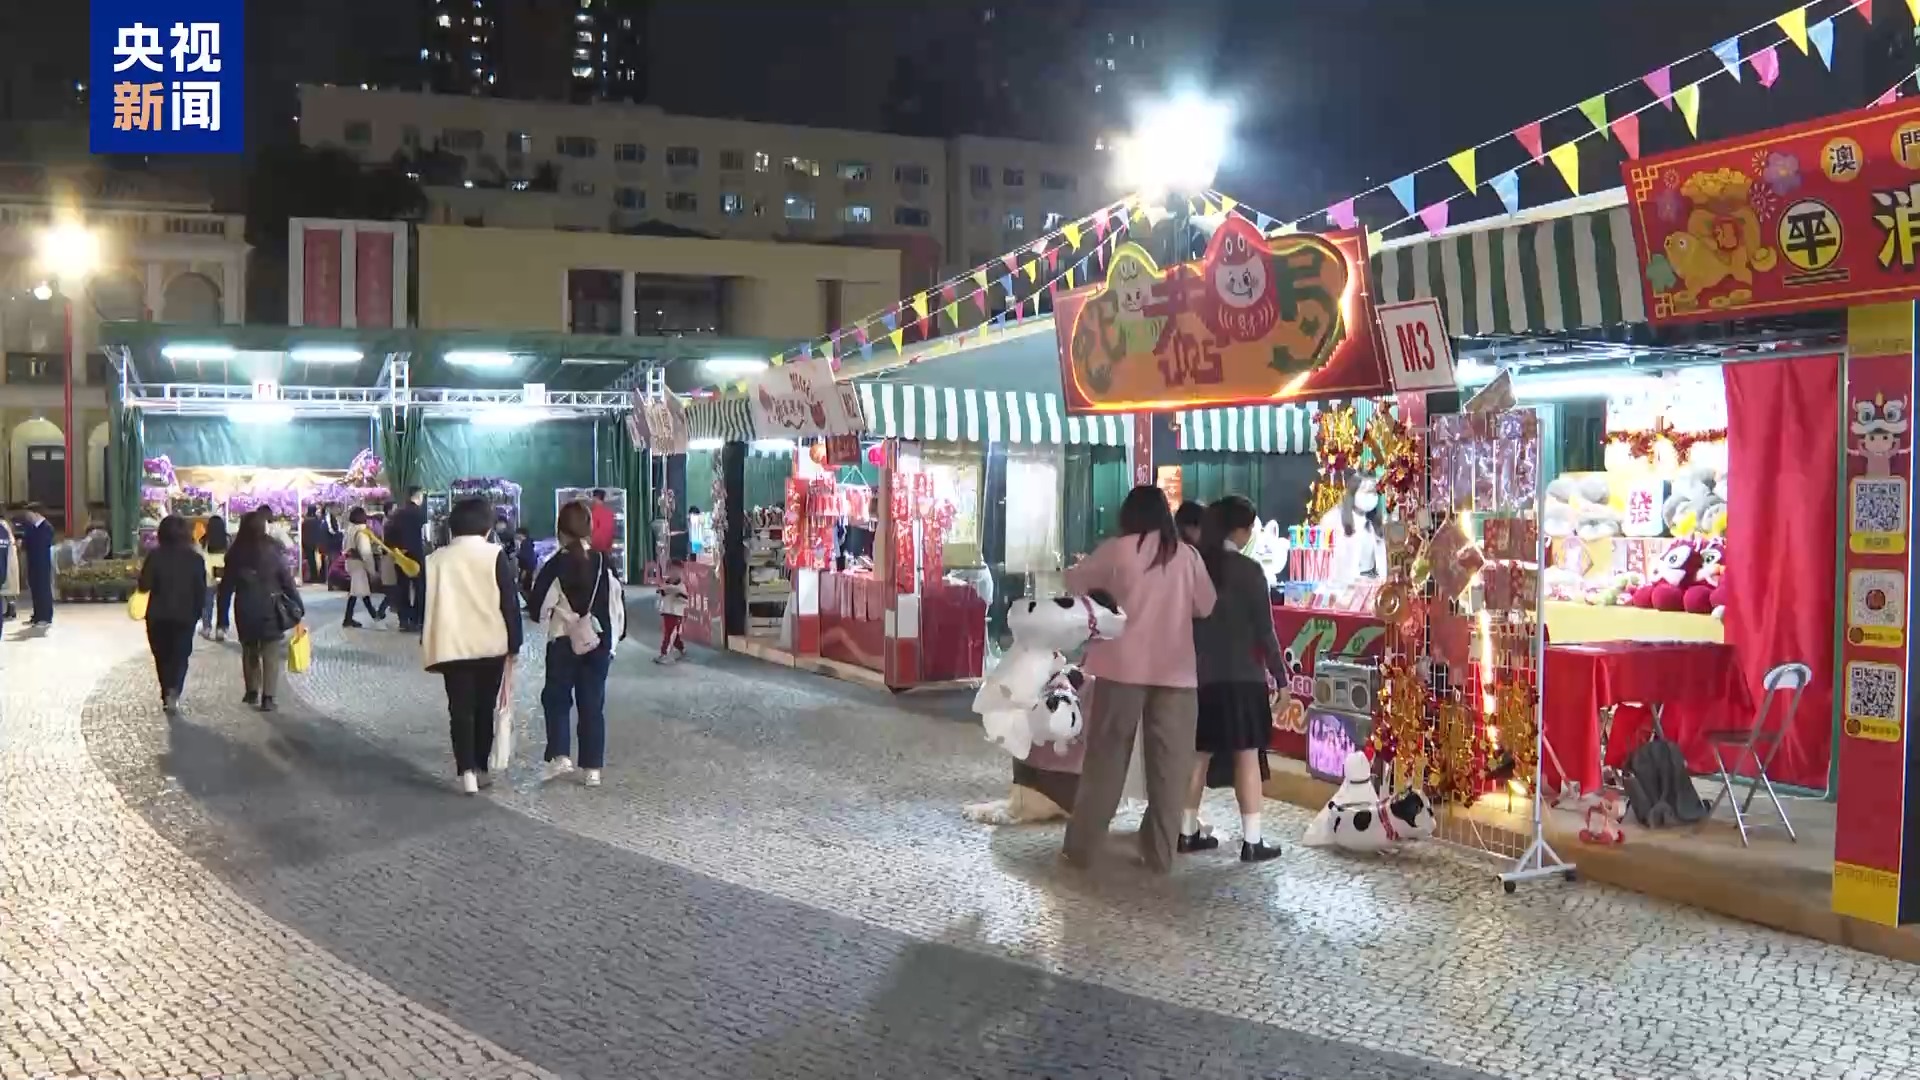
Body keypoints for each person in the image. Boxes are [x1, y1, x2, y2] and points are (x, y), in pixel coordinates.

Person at [1061, 486, 1217, 874]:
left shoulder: (1117, 551)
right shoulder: (1186, 556)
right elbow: (1206, 605)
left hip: (1121, 667)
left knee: (1107, 760)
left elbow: (1074, 582)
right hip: (1176, 672)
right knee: (1171, 768)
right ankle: (1159, 854)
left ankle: (1081, 848)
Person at [1182, 496, 1289, 863]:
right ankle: (1252, 841)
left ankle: (1186, 832)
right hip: (1244, 678)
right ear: (1240, 530)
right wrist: (1282, 679)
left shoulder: (1196, 567)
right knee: (1247, 756)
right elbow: (1265, 631)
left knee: (1198, 756)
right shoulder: (1249, 571)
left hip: (1202, 678)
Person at [422, 497, 524, 795]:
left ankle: (465, 771)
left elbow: (428, 604)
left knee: (460, 709)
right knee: (484, 707)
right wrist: (514, 643)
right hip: (490, 644)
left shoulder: (436, 559)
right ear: (487, 527)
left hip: (452, 645)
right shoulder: (494, 555)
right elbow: (509, 603)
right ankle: (480, 766)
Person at [531, 500, 625, 786]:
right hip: (598, 641)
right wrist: (614, 640)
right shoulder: (604, 562)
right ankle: (592, 769)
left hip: (563, 641)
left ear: (560, 530)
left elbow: (537, 607)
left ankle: (559, 756)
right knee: (592, 704)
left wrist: (555, 612)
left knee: (557, 698)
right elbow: (617, 603)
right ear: (589, 529)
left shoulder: (555, 564)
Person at [220, 509, 304, 712]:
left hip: (245, 607)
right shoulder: (272, 549)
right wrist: (297, 604)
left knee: (249, 649)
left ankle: (251, 690)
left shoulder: (235, 553)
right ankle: (268, 697)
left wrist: (222, 617)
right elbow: (286, 580)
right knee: (270, 652)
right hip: (270, 606)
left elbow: (226, 587)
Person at [137, 515, 207, 716]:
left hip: (158, 615)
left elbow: (144, 585)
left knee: (162, 656)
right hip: (185, 615)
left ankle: (166, 690)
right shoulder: (195, 559)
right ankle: (174, 691)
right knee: (180, 655)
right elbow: (201, 590)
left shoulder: (155, 556)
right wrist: (198, 613)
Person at [385, 487, 429, 632]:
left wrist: (395, 549)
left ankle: (404, 619)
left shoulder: (396, 514)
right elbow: (426, 536)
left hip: (400, 555)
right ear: (418, 496)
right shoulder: (420, 514)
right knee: (420, 587)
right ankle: (418, 619)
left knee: (402, 586)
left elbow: (388, 534)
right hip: (416, 555)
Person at [341, 507, 384, 628]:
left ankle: (352, 617)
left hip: (350, 563)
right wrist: (372, 569)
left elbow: (344, 548)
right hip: (359, 564)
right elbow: (366, 552)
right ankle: (372, 615)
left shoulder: (349, 530)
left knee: (358, 590)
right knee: (358, 591)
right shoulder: (362, 532)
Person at [18, 503, 55, 626]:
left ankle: (46, 617)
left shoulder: (47, 527)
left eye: (29, 514)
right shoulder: (31, 527)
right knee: (35, 589)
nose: (27, 517)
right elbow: (26, 542)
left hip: (42, 563)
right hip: (32, 561)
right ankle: (37, 615)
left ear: (36, 514)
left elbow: (42, 545)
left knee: (43, 589)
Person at [200, 515, 230, 639]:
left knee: (207, 603)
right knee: (223, 603)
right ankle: (221, 629)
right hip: (225, 574)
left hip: (208, 576)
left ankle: (206, 628)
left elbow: (200, 555)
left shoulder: (204, 540)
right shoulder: (227, 539)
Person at [655, 557, 688, 663]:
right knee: (673, 634)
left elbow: (685, 599)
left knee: (670, 634)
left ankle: (665, 654)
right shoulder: (665, 584)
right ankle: (681, 648)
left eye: (677, 570)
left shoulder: (681, 586)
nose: (675, 573)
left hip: (676, 614)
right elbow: (661, 595)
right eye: (672, 570)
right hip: (667, 612)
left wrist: (676, 593)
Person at [0, 507, 18, 620]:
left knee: (7, 586)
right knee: (9, 585)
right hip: (9, 557)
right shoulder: (6, 524)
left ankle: (11, 610)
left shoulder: (2, 525)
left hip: (5, 557)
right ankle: (11, 609)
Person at [513, 526, 538, 605]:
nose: (516, 538)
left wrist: (516, 554)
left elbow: (525, 558)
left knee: (524, 588)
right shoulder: (529, 543)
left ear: (522, 535)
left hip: (526, 569)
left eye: (517, 536)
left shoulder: (525, 544)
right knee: (526, 588)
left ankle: (528, 603)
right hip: (529, 569)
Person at [589, 488, 617, 555]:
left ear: (595, 498)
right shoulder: (609, 513)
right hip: (607, 550)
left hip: (595, 550)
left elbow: (593, 530)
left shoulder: (593, 513)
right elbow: (612, 532)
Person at [301, 505, 324, 584]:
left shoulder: (306, 521)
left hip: (307, 542)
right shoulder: (318, 520)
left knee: (311, 560)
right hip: (316, 542)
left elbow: (303, 532)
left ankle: (313, 576)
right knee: (318, 559)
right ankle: (318, 576)